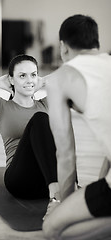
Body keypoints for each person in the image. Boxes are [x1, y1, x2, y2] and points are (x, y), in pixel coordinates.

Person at [42, 14, 111, 239]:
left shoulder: (59, 79)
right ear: (96, 44)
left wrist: (63, 202)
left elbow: (65, 156)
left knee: (53, 229)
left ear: (63, 47)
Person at [0, 54, 60, 202]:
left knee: (59, 132)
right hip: (20, 181)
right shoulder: (0, 107)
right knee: (40, 119)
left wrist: (42, 81)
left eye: (33, 75)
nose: (29, 80)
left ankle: (65, 187)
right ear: (11, 79)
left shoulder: (45, 104)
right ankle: (57, 193)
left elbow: (69, 76)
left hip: (44, 180)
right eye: (22, 76)